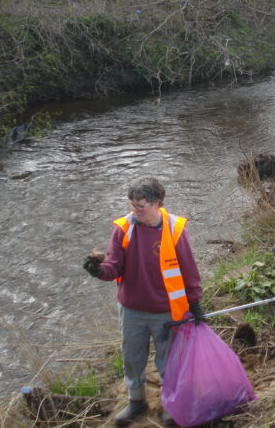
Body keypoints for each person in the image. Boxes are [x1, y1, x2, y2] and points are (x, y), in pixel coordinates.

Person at [82, 177, 204, 427]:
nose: (135, 210)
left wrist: (195, 303)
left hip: (166, 310)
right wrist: (99, 271)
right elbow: (113, 266)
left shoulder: (175, 229)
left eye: (141, 205)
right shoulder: (123, 228)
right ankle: (136, 401)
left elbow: (188, 270)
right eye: (132, 204)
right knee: (132, 357)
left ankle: (170, 402)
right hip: (132, 310)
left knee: (168, 360)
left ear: (158, 203)